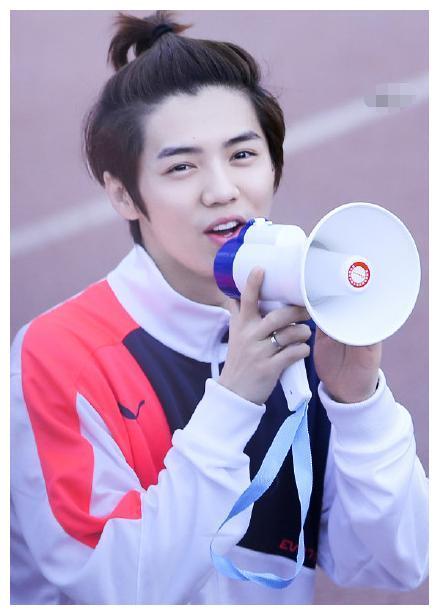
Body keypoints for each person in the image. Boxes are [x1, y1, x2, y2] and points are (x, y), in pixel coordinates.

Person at [10, 11, 428, 605]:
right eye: (181, 166)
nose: (221, 190)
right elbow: (118, 591)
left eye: (242, 154)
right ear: (123, 193)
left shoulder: (310, 325)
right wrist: (234, 401)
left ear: (274, 164)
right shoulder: (56, 356)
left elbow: (398, 560)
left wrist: (360, 403)